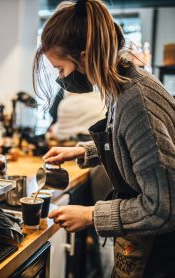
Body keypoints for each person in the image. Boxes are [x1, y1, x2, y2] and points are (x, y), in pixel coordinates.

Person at [33, 1, 175, 277]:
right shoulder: (122, 84)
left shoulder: (136, 102)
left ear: (84, 57)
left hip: (163, 251)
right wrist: (82, 151)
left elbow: (163, 208)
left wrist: (90, 215)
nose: (61, 78)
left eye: (61, 69)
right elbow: (132, 144)